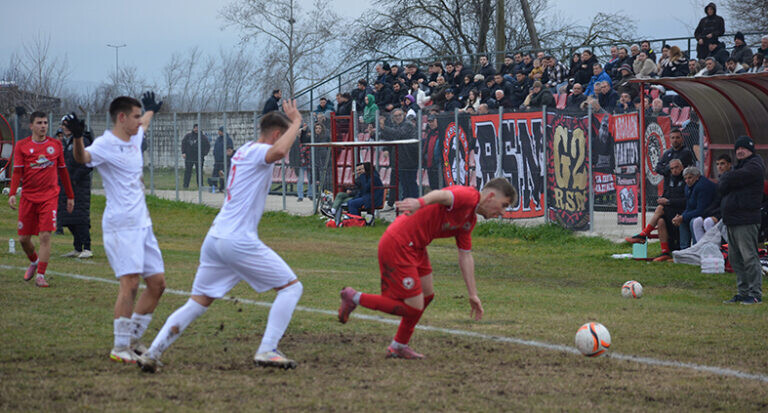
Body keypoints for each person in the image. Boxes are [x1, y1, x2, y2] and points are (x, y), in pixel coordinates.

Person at [137, 100, 305, 373]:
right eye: (285, 134)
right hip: (236, 239)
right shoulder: (261, 150)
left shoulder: (243, 151)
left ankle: (153, 352)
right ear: (276, 134)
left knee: (198, 301)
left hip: (216, 238)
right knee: (291, 288)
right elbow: (280, 151)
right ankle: (267, 349)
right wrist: (296, 122)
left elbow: (276, 151)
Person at [337, 178, 516, 359]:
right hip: (399, 242)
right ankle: (353, 297)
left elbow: (465, 255)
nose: (502, 212)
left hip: (416, 247)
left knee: (427, 296)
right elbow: (443, 195)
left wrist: (473, 294)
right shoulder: (470, 196)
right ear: (491, 196)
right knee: (413, 308)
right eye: (503, 205)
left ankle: (399, 345)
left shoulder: (469, 219)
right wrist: (420, 202)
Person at [69, 92, 166, 363]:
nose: (139, 121)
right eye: (134, 116)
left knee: (157, 285)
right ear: (121, 118)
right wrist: (77, 137)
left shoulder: (135, 135)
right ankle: (120, 347)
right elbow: (82, 158)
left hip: (142, 224)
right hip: (121, 226)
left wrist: (150, 111)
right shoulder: (105, 144)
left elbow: (144, 124)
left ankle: (132, 340)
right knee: (131, 283)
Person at [8, 111, 75, 287]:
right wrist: (12, 193)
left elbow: (63, 171)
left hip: (49, 197)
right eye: (39, 123)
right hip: (28, 198)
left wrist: (70, 196)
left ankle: (41, 275)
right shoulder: (22, 146)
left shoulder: (55, 145)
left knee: (45, 236)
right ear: (31, 126)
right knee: (23, 239)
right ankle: (34, 261)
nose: (43, 126)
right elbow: (17, 172)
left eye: (45, 122)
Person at [720, 136, 765, 304]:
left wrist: (728, 177)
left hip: (746, 220)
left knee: (749, 257)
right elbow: (722, 185)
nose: (740, 151)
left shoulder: (755, 165)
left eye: (744, 148)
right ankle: (743, 292)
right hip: (732, 219)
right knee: (735, 258)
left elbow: (728, 179)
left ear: (751, 150)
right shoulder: (740, 167)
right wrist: (728, 178)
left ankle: (755, 294)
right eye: (737, 149)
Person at [58, 114, 93, 259]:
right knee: (68, 217)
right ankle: (77, 247)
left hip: (79, 185)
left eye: (68, 125)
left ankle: (87, 247)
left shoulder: (82, 140)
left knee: (80, 217)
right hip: (66, 184)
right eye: (63, 125)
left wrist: (75, 178)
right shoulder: (67, 142)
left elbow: (89, 163)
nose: (65, 128)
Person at [673, 166, 716, 249]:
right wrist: (681, 217)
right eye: (685, 179)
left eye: (690, 178)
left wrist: (683, 217)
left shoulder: (703, 186)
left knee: (694, 221)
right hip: (699, 212)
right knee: (682, 221)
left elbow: (702, 210)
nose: (687, 181)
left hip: (710, 213)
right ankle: (684, 249)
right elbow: (689, 206)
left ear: (697, 177)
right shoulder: (688, 187)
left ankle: (696, 247)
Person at [691, 154, 731, 242]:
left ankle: (715, 250)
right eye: (717, 164)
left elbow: (727, 202)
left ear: (729, 165)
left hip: (727, 213)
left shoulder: (732, 179)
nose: (719, 167)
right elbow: (716, 202)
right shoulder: (720, 181)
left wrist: (716, 216)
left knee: (708, 222)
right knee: (697, 221)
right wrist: (705, 214)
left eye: (722, 164)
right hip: (717, 212)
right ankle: (702, 249)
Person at [181, 124, 210, 189]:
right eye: (195, 128)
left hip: (199, 157)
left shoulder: (203, 137)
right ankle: (185, 186)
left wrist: (204, 154)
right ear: (193, 128)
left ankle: (200, 186)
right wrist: (183, 152)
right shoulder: (188, 136)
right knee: (188, 171)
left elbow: (207, 146)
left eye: (197, 128)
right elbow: (183, 143)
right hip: (189, 157)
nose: (196, 129)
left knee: (199, 172)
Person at [211, 127, 234, 193]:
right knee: (215, 174)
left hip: (224, 160)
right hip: (217, 160)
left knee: (223, 174)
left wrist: (226, 157)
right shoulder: (218, 139)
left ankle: (223, 187)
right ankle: (214, 186)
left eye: (219, 131)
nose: (218, 132)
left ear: (222, 131)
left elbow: (230, 149)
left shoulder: (228, 139)